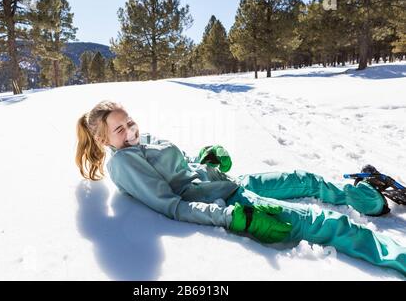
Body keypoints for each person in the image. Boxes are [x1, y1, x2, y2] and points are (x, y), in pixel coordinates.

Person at [75, 100, 406, 276]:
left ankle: (375, 200)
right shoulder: (123, 164)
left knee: (306, 179)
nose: (130, 130)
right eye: (119, 129)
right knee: (326, 223)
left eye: (129, 121)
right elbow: (172, 205)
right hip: (230, 199)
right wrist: (233, 217)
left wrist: (206, 157)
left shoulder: (142, 139)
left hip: (231, 182)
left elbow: (182, 163)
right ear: (104, 139)